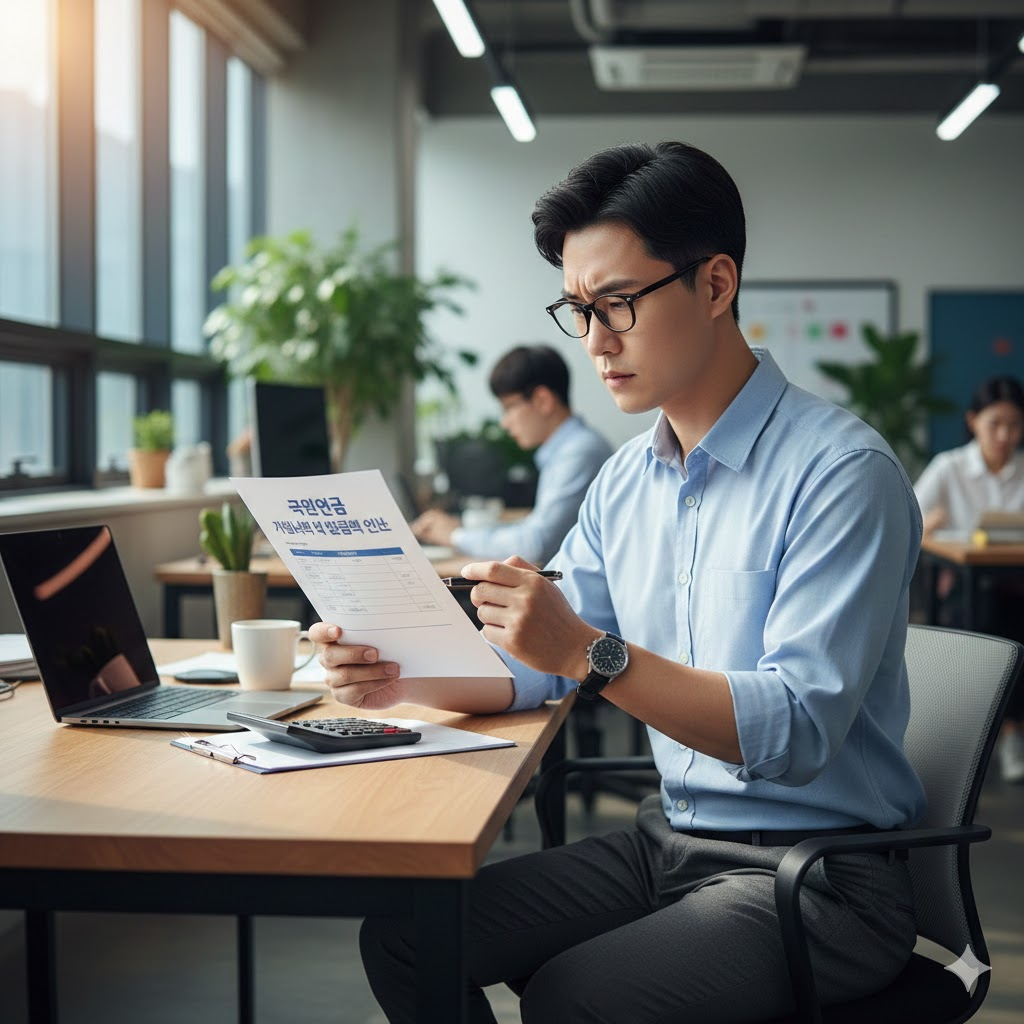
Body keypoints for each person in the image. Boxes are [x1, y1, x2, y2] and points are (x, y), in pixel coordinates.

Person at [310, 140, 926, 1023]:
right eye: (578, 309)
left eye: (619, 305)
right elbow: (534, 664)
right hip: (671, 843)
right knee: (406, 937)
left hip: (820, 878)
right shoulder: (626, 480)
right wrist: (394, 669)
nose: (595, 344)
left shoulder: (841, 473)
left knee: (573, 998)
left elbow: (793, 729)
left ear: (716, 286)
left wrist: (589, 653)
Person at [412, 344, 613, 567]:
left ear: (542, 401)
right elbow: (536, 530)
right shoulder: (567, 450)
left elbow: (537, 544)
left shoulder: (579, 452)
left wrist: (456, 536)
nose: (504, 423)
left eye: (509, 407)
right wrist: (461, 530)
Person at [915, 375, 1024, 782]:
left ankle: (1005, 731)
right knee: (999, 613)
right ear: (974, 421)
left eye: (1013, 425)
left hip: (1015, 581)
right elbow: (908, 522)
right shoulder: (950, 467)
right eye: (995, 423)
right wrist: (930, 525)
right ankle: (1007, 731)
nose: (1004, 435)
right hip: (964, 588)